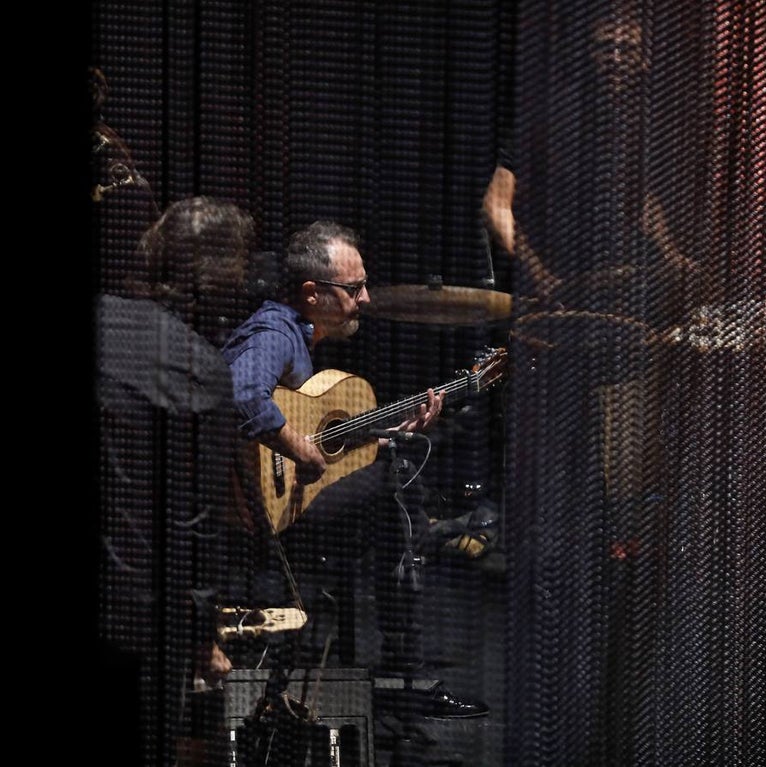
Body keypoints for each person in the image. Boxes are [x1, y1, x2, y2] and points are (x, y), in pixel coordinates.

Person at [220, 220, 491, 719]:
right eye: (353, 288)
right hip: (260, 515)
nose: (365, 299)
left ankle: (420, 550)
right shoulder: (274, 331)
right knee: (395, 480)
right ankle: (405, 668)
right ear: (312, 294)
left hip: (290, 507)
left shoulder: (297, 336)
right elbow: (238, 395)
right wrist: (298, 450)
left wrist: (391, 429)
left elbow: (319, 432)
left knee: (395, 456)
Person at [96, 196, 257, 765]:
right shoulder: (198, 370)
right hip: (137, 618)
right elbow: (198, 526)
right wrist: (202, 637)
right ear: (216, 281)